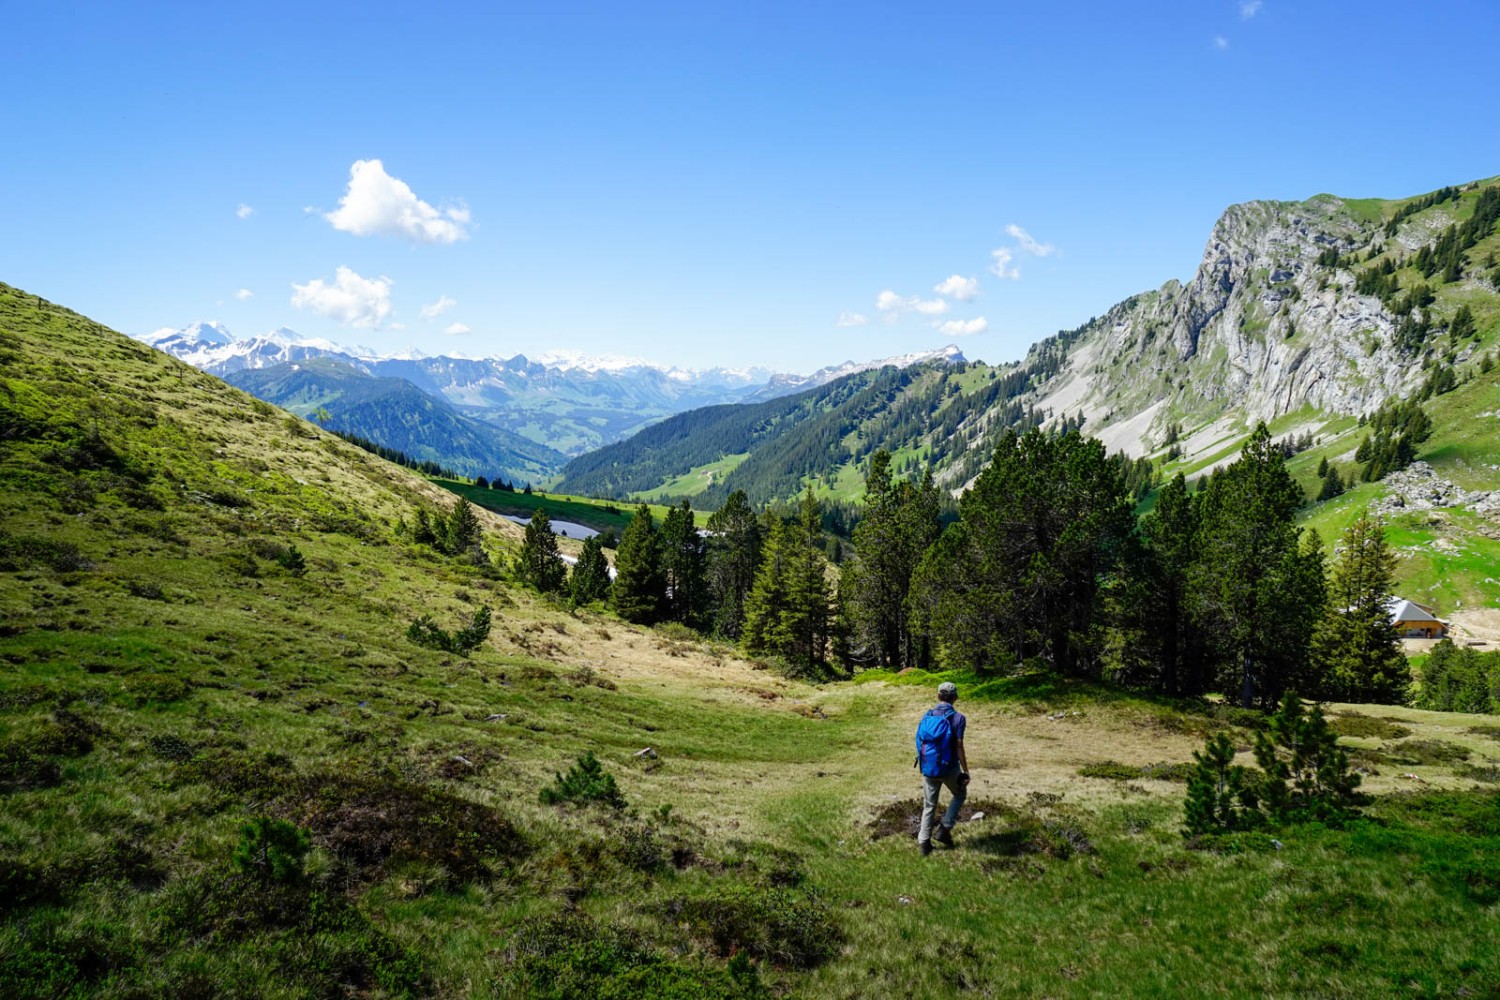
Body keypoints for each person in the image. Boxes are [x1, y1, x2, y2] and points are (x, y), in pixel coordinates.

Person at [915, 680, 969, 856]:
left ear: (938, 696)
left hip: (928, 768)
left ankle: (924, 843)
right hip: (949, 768)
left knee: (929, 805)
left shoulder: (928, 715)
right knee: (960, 794)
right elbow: (959, 745)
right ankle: (945, 828)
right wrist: (965, 771)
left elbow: (919, 741)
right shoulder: (958, 718)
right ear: (955, 698)